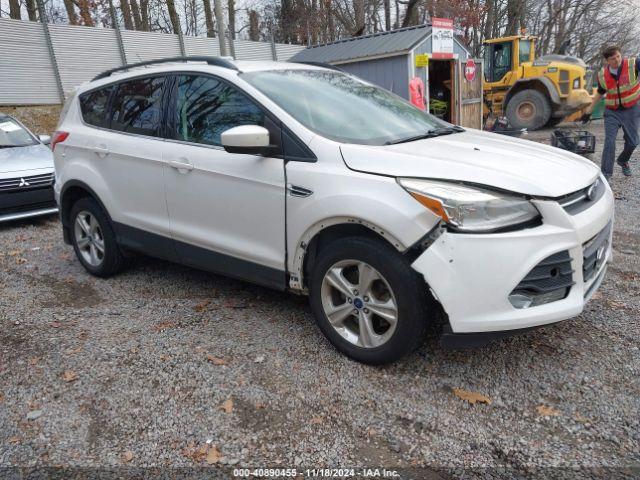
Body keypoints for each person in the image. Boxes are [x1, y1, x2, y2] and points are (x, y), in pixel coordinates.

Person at [583, 45, 639, 181]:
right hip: (612, 112)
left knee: (633, 142)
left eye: (618, 56)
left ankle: (623, 160)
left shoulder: (634, 64)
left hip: (631, 110)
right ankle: (606, 175)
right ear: (607, 61)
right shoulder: (603, 74)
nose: (617, 60)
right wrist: (588, 111)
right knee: (609, 142)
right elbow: (600, 93)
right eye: (613, 59)